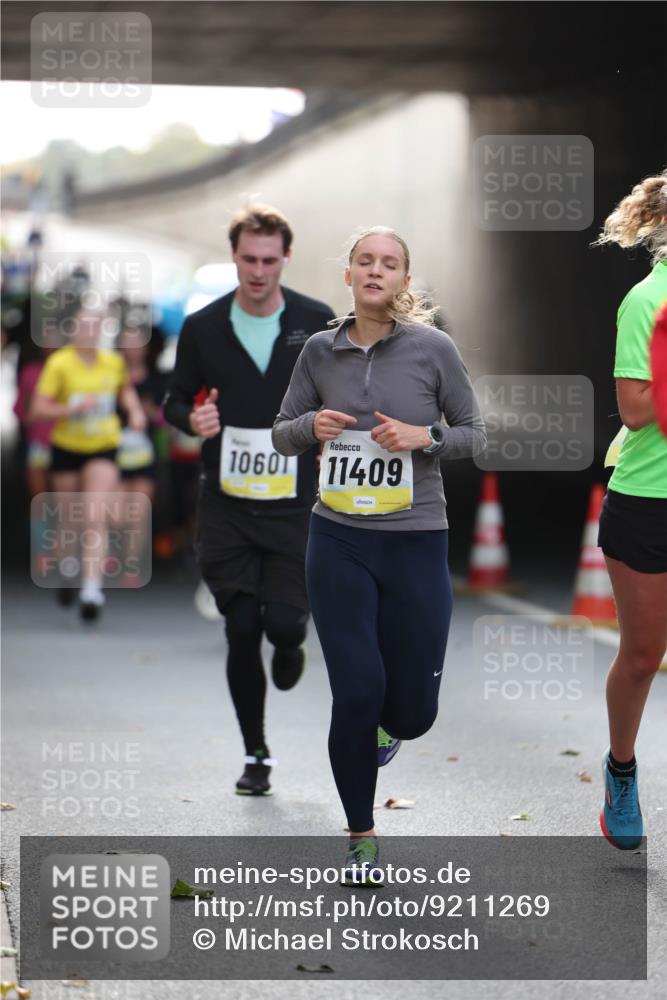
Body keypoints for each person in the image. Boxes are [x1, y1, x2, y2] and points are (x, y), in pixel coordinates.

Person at [272, 226, 486, 884]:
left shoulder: (433, 350)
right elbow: (282, 435)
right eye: (364, 260)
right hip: (337, 539)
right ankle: (360, 835)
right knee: (356, 690)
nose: (374, 270)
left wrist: (424, 436)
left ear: (402, 281)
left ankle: (392, 731)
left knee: (412, 713)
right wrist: (313, 427)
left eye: (388, 263)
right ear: (348, 275)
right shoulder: (317, 351)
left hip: (417, 540)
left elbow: (473, 435)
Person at [163, 203, 335, 796]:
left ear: (286, 258)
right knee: (240, 629)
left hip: (294, 506)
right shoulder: (204, 326)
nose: (258, 271)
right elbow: (173, 402)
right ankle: (256, 754)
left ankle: (290, 646)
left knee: (283, 625)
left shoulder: (316, 321)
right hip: (228, 504)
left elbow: (345, 392)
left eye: (269, 260)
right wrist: (194, 417)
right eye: (247, 259)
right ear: (234, 256)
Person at [594, 170, 667, 850]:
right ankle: (620, 768)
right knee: (643, 656)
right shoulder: (646, 300)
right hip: (648, 501)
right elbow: (635, 409)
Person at [29, 305, 147, 620]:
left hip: (103, 446)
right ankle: (68, 569)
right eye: (84, 327)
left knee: (95, 514)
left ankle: (91, 590)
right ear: (74, 330)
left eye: (95, 327)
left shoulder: (113, 361)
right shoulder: (60, 363)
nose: (90, 332)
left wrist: (134, 411)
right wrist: (71, 410)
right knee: (70, 517)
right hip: (67, 446)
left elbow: (125, 392)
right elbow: (38, 408)